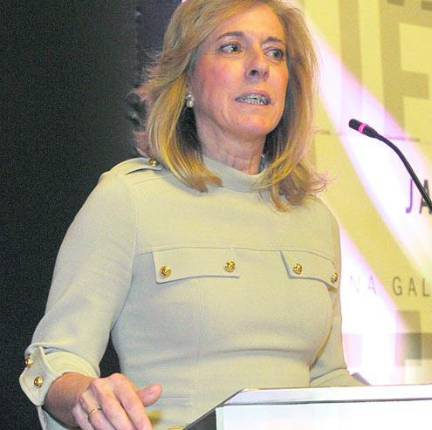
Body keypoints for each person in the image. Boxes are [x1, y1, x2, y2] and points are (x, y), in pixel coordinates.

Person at [19, 0, 362, 428]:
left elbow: (327, 380)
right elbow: (55, 358)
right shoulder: (129, 198)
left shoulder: (314, 219)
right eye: (232, 47)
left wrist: (425, 404)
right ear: (187, 81)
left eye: (275, 53)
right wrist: (87, 395)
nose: (260, 66)